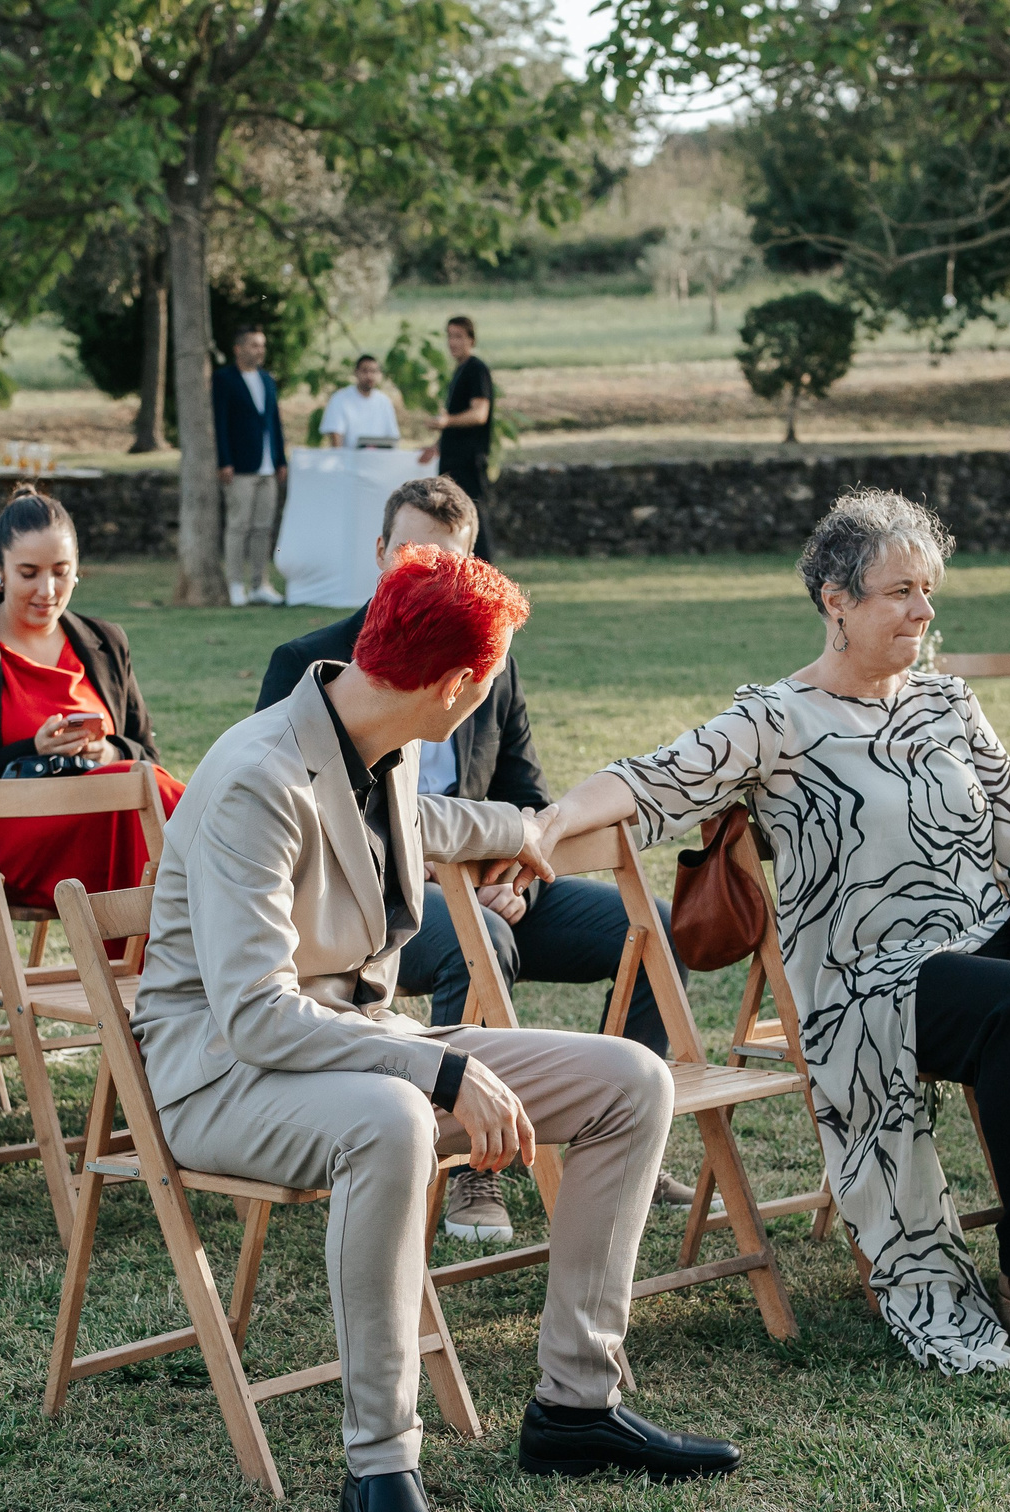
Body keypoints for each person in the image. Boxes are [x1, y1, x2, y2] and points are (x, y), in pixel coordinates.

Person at [538, 489, 1010, 1375]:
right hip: (870, 977)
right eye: (901, 592)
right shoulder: (775, 719)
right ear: (836, 600)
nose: (924, 610)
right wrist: (545, 824)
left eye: (928, 591)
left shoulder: (949, 704)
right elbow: (647, 782)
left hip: (989, 944)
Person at [134, 545, 740, 1512]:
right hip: (226, 1076)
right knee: (397, 1117)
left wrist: (527, 828)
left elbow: (423, 824)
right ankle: (380, 1461)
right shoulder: (254, 777)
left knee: (629, 1082)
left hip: (364, 1047)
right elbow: (257, 1018)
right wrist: (443, 1073)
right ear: (459, 685)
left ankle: (575, 1407)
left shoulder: (382, 738)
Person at [257, 474, 698, 1243]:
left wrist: (515, 873)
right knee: (477, 941)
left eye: (449, 561)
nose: (429, 574)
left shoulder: (492, 660)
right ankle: (469, 1168)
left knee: (653, 928)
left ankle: (621, 1135)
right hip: (379, 897)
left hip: (492, 882)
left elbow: (524, 793)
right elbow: (300, 821)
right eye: (412, 555)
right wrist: (436, 867)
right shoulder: (308, 662)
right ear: (379, 551)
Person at [0, 486, 183, 939]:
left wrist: (107, 753)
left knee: (134, 791)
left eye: (61, 571)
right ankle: (169, 965)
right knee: (146, 800)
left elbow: (146, 753)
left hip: (105, 826)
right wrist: (32, 752)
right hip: (3, 843)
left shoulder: (106, 642)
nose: (48, 590)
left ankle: (156, 966)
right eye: (29, 573)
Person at [212, 324, 287, 607]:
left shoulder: (267, 380)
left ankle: (260, 584)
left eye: (262, 345)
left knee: (263, 528)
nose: (260, 350)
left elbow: (274, 422)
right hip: (240, 466)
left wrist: (281, 460)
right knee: (238, 527)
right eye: (254, 345)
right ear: (238, 348)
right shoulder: (224, 379)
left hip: (268, 466)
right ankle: (235, 584)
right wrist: (225, 460)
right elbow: (220, 422)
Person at [417, 315, 494, 557]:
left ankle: (484, 568)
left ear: (471, 339)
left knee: (473, 516)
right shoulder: (460, 371)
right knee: (454, 517)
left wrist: (447, 421)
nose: (453, 342)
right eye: (450, 336)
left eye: (459, 336)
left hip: (468, 460)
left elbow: (480, 414)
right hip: (453, 460)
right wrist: (437, 446)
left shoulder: (476, 369)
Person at [320, 354, 400, 447]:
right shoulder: (339, 399)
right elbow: (335, 435)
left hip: (379, 455)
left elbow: (393, 438)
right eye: (365, 371)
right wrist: (339, 455)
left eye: (373, 371)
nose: (369, 376)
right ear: (356, 373)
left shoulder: (384, 401)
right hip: (348, 455)